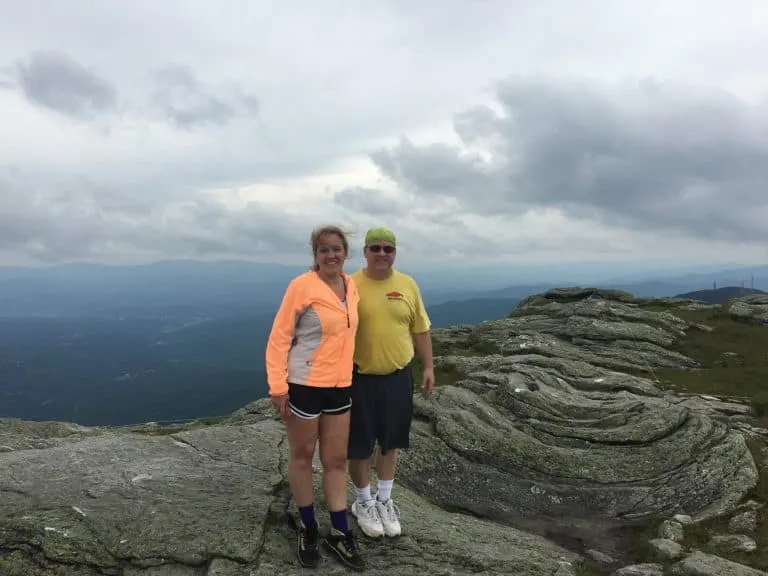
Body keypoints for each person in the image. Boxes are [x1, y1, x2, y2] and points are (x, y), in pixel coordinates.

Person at [265, 225, 365, 571]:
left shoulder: (351, 287)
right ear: (315, 255)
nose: (331, 255)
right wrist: (278, 388)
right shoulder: (301, 287)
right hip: (304, 385)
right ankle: (307, 526)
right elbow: (279, 338)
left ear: (346, 252)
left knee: (336, 460)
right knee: (303, 456)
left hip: (340, 385)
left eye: (337, 249)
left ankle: (339, 530)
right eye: (324, 250)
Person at [347, 227, 435, 539]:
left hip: (398, 377)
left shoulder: (408, 284)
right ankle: (363, 502)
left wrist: (428, 366)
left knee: (391, 440)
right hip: (357, 378)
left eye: (388, 248)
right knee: (358, 444)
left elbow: (420, 328)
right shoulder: (350, 285)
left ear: (394, 252)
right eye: (375, 248)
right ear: (365, 252)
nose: (382, 254)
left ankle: (384, 500)